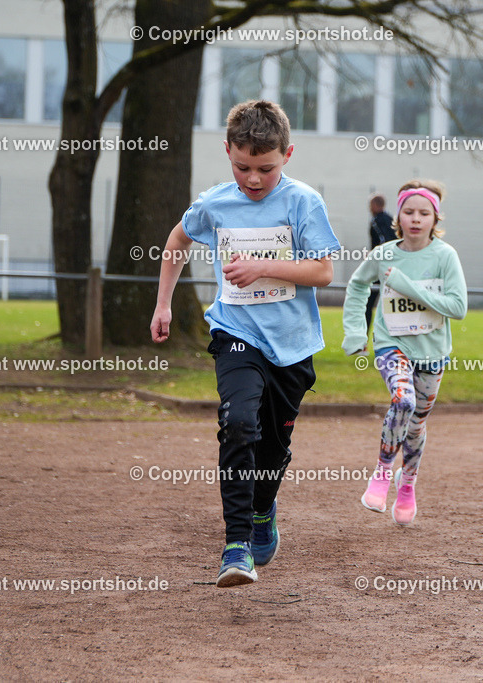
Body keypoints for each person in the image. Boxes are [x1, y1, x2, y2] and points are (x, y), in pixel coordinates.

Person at [150, 100, 341, 587]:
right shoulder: (215, 203)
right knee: (237, 423)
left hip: (293, 346)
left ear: (288, 154)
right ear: (227, 152)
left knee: (273, 449)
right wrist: (164, 304)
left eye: (266, 168)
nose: (253, 179)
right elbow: (177, 241)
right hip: (236, 332)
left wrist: (263, 266)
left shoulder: (303, 203)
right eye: (242, 167)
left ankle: (262, 511)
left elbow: (322, 271)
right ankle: (236, 546)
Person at [342, 180, 467, 526]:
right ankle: (383, 472)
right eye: (409, 212)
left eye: (424, 213)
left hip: (433, 353)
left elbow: (457, 307)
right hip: (391, 344)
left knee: (416, 425)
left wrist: (407, 287)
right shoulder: (383, 254)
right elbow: (357, 286)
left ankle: (407, 483)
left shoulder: (445, 256)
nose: (415, 219)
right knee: (403, 401)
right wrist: (355, 331)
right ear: (399, 215)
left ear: (434, 217)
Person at [364, 193, 396, 327]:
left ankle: (363, 337)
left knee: (368, 303)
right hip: (394, 267)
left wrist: (374, 258)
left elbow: (384, 241)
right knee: (390, 304)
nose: (369, 208)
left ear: (376, 205)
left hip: (381, 267)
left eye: (370, 205)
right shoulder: (391, 220)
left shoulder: (376, 220)